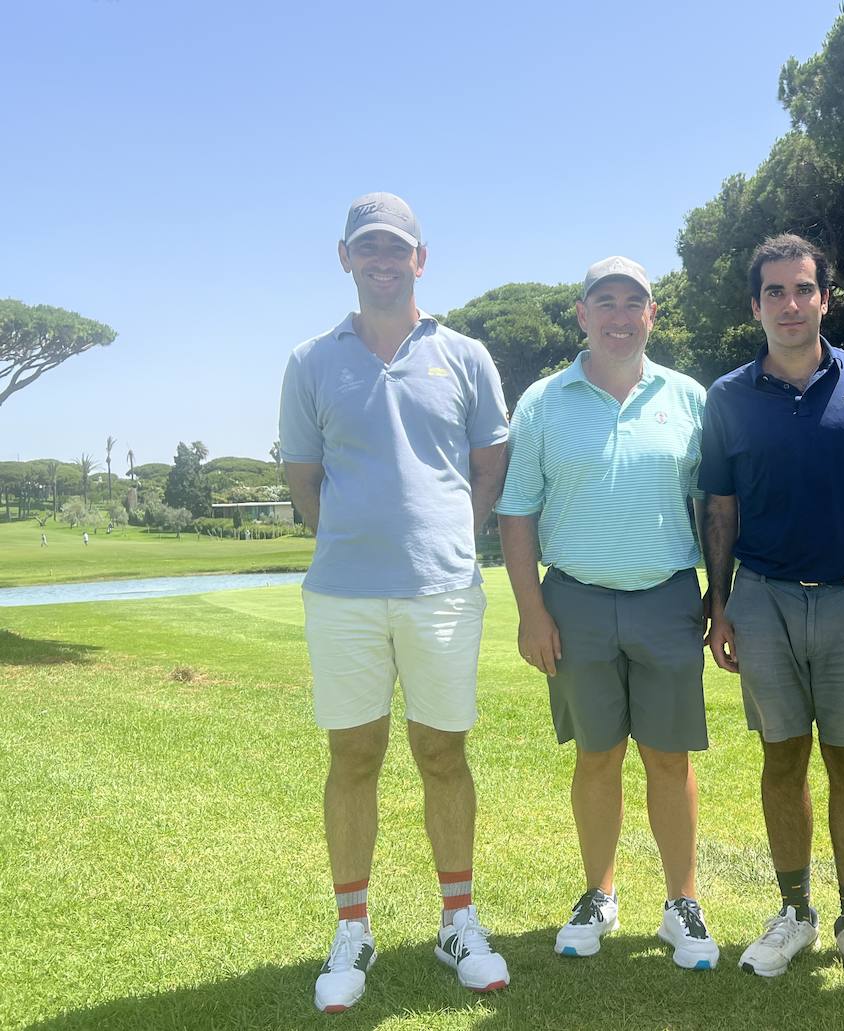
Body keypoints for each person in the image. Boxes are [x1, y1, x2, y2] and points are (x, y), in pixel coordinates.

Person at [279, 193, 512, 1013]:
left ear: (421, 259)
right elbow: (303, 477)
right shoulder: (311, 359)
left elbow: (490, 464)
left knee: (443, 753)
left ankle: (458, 920)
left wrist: (448, 535)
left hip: (443, 588)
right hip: (344, 592)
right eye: (367, 246)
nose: (383, 259)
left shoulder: (467, 355)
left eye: (397, 247)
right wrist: (355, 537)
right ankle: (353, 926)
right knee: (354, 755)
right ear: (345, 257)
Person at [496, 256, 719, 971]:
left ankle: (681, 901)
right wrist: (532, 610)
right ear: (582, 314)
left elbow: (716, 508)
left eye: (634, 302)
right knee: (598, 755)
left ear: (652, 314)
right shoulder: (540, 402)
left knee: (668, 754)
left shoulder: (688, 397)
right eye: (605, 302)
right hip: (576, 601)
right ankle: (599, 891)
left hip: (667, 598)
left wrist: (721, 598)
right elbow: (516, 512)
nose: (620, 316)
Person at [700, 234, 844, 991]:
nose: (791, 304)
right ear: (756, 305)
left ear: (825, 297)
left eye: (804, 289)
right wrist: (717, 604)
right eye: (775, 292)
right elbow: (719, 507)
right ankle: (796, 910)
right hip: (763, 598)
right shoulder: (727, 395)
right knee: (781, 755)